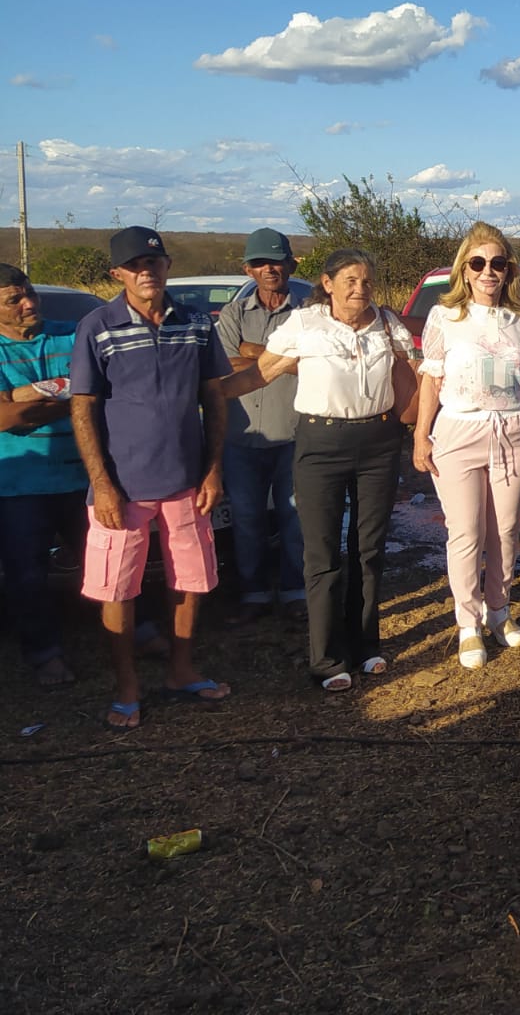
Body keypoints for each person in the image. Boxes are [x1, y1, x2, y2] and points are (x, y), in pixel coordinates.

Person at [228, 248, 414, 691]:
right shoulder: (305, 324)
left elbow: (419, 372)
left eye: (367, 280)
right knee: (323, 552)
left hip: (379, 444)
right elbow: (261, 374)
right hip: (320, 445)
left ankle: (366, 645)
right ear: (327, 284)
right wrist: (206, 393)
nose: (359, 288)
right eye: (349, 280)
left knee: (368, 549)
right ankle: (328, 658)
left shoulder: (388, 324)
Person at [69, 227, 232, 730]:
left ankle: (181, 672)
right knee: (117, 587)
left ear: (167, 267)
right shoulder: (97, 326)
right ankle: (127, 688)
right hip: (123, 486)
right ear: (117, 273)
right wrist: (102, 483)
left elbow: (214, 398)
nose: (147, 272)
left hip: (186, 481)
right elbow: (83, 408)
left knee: (192, 578)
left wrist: (212, 469)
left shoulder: (195, 323)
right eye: (136, 265)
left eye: (155, 262)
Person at [413, 223, 520, 670]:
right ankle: (468, 624)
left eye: (498, 263)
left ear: (508, 271)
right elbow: (430, 380)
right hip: (458, 433)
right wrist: (420, 435)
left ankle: (500, 611)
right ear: (464, 270)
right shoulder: (444, 317)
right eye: (479, 263)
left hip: (513, 431)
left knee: (505, 531)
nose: (489, 271)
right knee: (466, 533)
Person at [0, 265, 92, 685]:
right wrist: (70, 391)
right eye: (14, 300)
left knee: (106, 561)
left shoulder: (69, 333)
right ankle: (44, 652)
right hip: (20, 485)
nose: (29, 304)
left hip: (85, 473)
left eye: (30, 293)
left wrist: (27, 395)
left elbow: (102, 385)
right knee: (28, 574)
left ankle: (136, 631)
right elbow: (7, 417)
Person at [216, 228, 306, 623]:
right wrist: (280, 358)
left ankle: (294, 591)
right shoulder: (234, 312)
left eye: (277, 261)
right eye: (260, 263)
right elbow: (223, 368)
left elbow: (313, 362)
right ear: (247, 269)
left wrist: (251, 353)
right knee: (248, 519)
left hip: (294, 434)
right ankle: (252, 593)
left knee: (294, 518)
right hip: (241, 436)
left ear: (291, 264)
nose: (270, 269)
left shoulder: (309, 313)